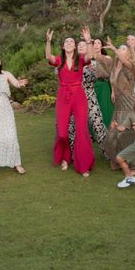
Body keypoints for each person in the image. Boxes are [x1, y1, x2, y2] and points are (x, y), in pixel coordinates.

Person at [46, 28, 95, 177]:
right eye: (66, 41)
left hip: (79, 95)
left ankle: (83, 165)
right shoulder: (59, 60)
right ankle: (65, 157)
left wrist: (88, 41)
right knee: (62, 133)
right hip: (63, 95)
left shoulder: (80, 59)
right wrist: (48, 41)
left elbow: (91, 56)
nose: (69, 43)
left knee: (81, 131)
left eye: (71, 41)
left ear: (75, 46)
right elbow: (48, 57)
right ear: (63, 46)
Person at [97, 40, 135, 170]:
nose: (120, 50)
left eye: (123, 49)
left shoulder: (130, 65)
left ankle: (130, 162)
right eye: (119, 48)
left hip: (128, 104)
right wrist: (88, 42)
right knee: (111, 135)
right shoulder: (113, 66)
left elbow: (125, 63)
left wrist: (115, 49)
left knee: (125, 135)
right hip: (118, 105)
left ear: (128, 54)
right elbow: (96, 56)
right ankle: (116, 160)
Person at [67, 40, 108, 160]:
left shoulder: (93, 63)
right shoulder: (70, 62)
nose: (80, 46)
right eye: (78, 45)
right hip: (73, 99)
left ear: (88, 48)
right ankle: (74, 155)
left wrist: (94, 70)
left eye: (83, 45)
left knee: (98, 125)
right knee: (72, 127)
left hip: (89, 97)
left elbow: (104, 76)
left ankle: (108, 153)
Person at [92, 37, 114, 129]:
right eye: (94, 43)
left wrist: (113, 91)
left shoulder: (107, 58)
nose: (96, 45)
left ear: (102, 46)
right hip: (92, 85)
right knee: (92, 109)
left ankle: (106, 129)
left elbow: (112, 74)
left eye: (98, 43)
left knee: (105, 108)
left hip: (104, 85)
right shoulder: (87, 58)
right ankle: (92, 132)